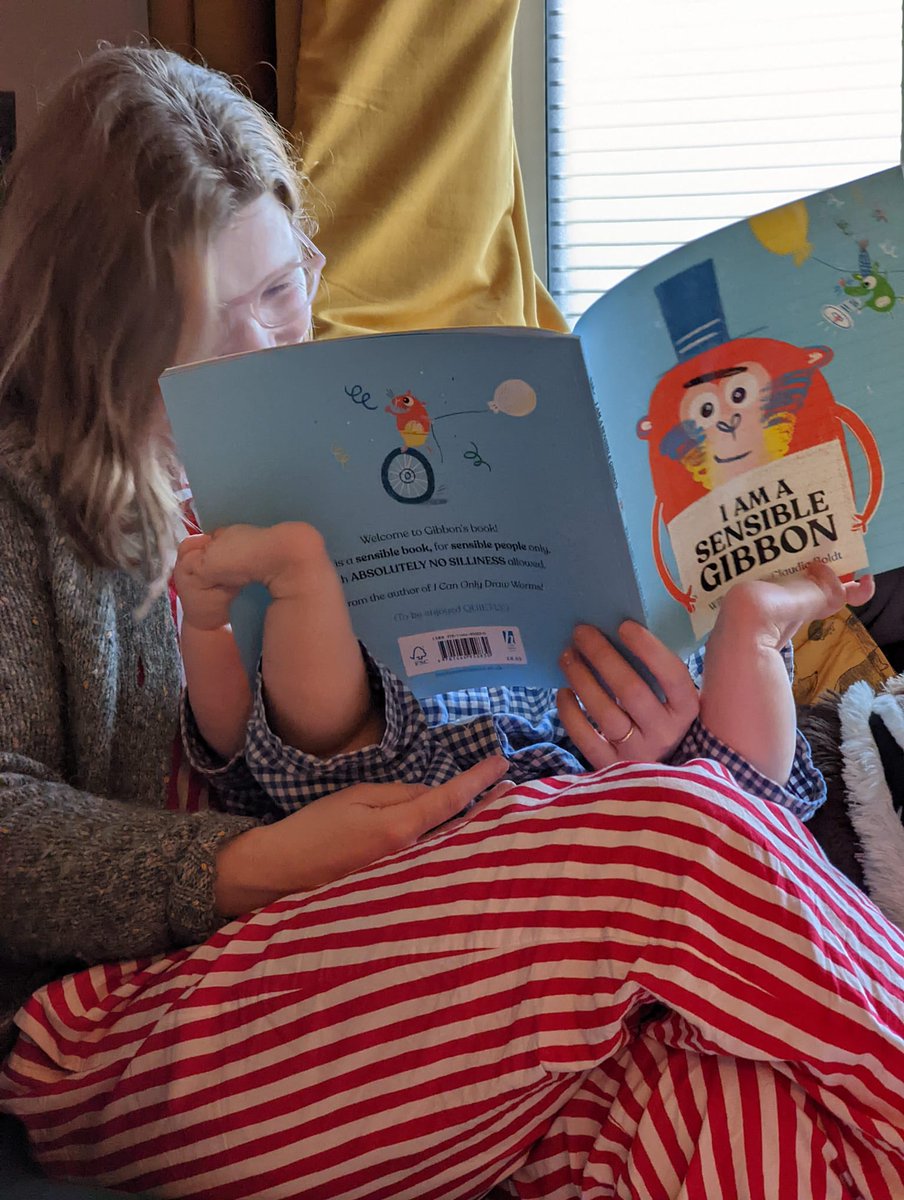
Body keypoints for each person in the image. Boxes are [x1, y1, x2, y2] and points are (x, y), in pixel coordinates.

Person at [1, 44, 904, 1200]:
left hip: (424, 974)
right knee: (672, 833)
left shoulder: (328, 457)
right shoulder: (27, 501)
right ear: (108, 333)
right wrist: (246, 863)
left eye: (288, 286)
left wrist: (653, 723)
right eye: (225, 320)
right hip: (155, 1018)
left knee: (731, 1121)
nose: (279, 342)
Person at [174, 520, 872, 820]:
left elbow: (240, 750)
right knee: (328, 741)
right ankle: (292, 581)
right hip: (442, 783)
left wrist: (205, 629)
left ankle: (292, 579)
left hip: (449, 788)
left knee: (321, 744)